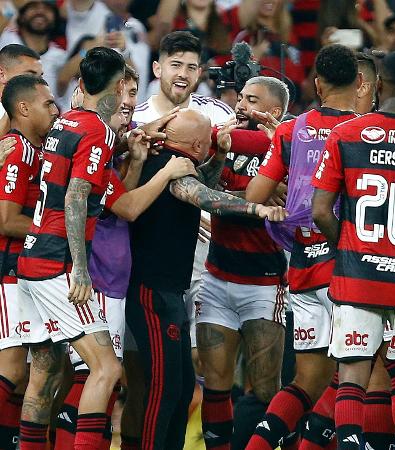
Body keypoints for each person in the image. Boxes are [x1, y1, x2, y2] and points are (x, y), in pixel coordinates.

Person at [53, 66, 198, 450]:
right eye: (125, 92)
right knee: (94, 375)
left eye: (135, 93)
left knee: (103, 379)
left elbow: (116, 202)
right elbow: (125, 208)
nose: (130, 103)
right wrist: (165, 171)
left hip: (110, 280)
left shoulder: (104, 143)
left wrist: (133, 160)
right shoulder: (92, 138)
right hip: (90, 279)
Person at [311, 50, 395, 450]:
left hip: (357, 277)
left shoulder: (346, 134)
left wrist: (348, 247)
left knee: (352, 377)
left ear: (379, 85)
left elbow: (320, 210)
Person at [126, 107, 286, 450]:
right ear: (199, 144)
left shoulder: (176, 159)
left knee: (182, 387)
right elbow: (206, 198)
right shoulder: (174, 168)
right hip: (153, 292)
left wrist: (223, 155)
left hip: (167, 292)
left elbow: (203, 185)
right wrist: (258, 208)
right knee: (165, 388)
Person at [121, 30, 235, 449]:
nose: (183, 75)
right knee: (145, 378)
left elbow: (211, 179)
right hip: (148, 261)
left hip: (199, 260)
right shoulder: (137, 120)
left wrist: (214, 172)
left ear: (201, 72)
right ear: (157, 68)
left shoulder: (216, 115)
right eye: (175, 65)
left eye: (191, 67)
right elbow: (124, 191)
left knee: (189, 374)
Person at [244, 44, 360, 450]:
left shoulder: (292, 130)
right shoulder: (363, 132)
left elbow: (254, 194)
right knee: (360, 377)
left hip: (302, 264)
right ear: (361, 84)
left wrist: (288, 189)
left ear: (317, 83)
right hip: (349, 267)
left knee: (306, 380)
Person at [16, 46, 126, 450]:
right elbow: (77, 195)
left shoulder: (66, 123)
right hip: (57, 265)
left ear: (80, 85)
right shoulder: (99, 130)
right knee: (106, 368)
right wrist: (79, 268)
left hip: (30, 258)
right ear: (116, 89)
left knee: (45, 371)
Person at [196, 75, 290, 450]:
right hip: (217, 277)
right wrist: (245, 196)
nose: (240, 105)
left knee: (268, 389)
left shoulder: (285, 144)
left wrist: (229, 194)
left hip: (264, 284)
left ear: (275, 112)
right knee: (215, 385)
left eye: (251, 100)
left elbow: (279, 200)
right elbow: (208, 188)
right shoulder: (224, 137)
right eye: (241, 98)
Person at [0, 74, 58, 450]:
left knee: (28, 374)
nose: (54, 110)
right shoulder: (16, 149)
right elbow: (5, 219)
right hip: (8, 273)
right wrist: (56, 232)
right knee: (12, 370)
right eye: (47, 104)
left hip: (25, 272)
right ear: (24, 108)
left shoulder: (36, 149)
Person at [0, 0, 66, 107]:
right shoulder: (5, 38)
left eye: (47, 8)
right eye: (33, 6)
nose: (40, 11)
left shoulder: (60, 56)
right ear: (21, 15)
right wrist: (12, 7)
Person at [0, 43, 43, 136]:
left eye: (40, 76)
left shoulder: (40, 108)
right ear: (2, 74)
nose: (38, 82)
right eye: (29, 75)